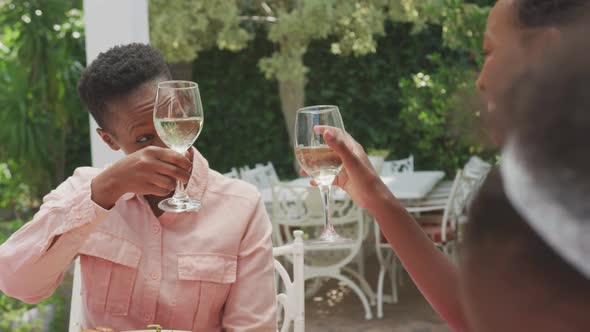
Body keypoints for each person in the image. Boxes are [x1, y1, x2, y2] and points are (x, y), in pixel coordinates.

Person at [310, 1, 590, 330]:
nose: (481, 80)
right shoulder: (549, 179)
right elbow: (479, 318)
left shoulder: (542, 194)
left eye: (489, 51)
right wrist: (375, 196)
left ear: (546, 51)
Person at [0, 43, 276, 331]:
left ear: (184, 110)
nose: (165, 148)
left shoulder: (241, 207)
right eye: (144, 139)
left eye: (171, 124)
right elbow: (18, 283)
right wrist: (104, 191)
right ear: (109, 140)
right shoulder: (84, 189)